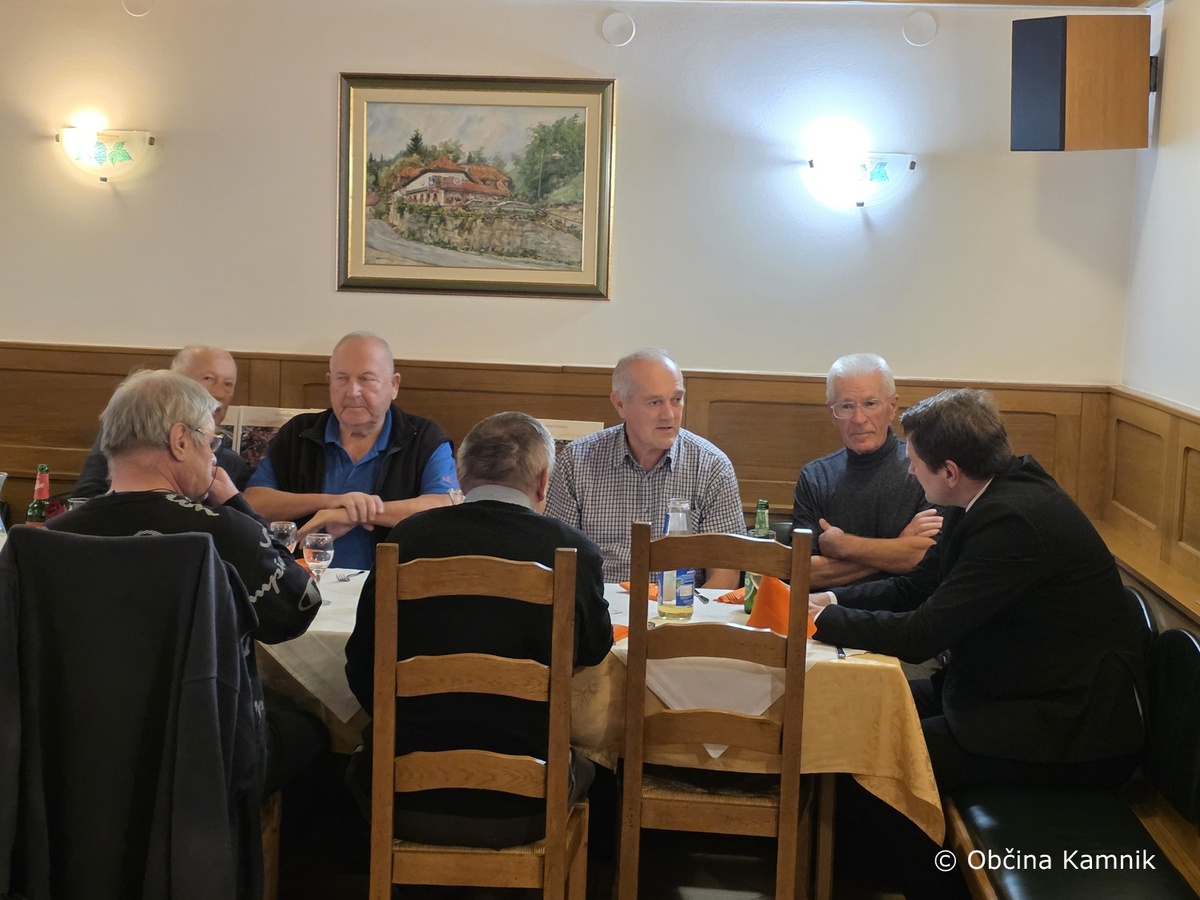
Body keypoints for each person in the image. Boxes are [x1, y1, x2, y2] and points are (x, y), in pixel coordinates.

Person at [810, 389, 1147, 792]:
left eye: (914, 462)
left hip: (1068, 727)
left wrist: (819, 620)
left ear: (950, 472)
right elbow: (916, 586)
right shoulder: (981, 494)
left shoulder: (1014, 522)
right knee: (853, 711)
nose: (910, 471)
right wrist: (828, 599)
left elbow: (921, 636)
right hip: (1001, 692)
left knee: (868, 757)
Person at [48, 369, 325, 794]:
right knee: (313, 729)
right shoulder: (223, 533)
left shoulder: (48, 540)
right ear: (180, 441)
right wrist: (236, 503)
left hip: (69, 755)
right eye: (210, 442)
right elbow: (296, 609)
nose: (214, 458)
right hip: (202, 760)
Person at [344, 412, 613, 848]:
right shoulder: (572, 549)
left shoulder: (405, 541)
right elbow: (595, 650)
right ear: (543, 481)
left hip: (401, 797)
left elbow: (361, 664)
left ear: (460, 475)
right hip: (526, 806)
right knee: (586, 768)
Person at [243, 331, 458, 570]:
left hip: (390, 585)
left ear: (394, 385)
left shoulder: (424, 437)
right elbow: (253, 502)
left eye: (366, 379)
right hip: (302, 583)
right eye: (342, 379)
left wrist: (353, 513)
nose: (352, 391)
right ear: (330, 382)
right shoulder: (298, 433)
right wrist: (332, 502)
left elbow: (446, 507)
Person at [545, 348, 744, 587]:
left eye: (676, 400)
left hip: (681, 606)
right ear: (620, 404)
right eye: (654, 402)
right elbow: (557, 560)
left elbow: (725, 574)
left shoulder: (712, 466)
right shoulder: (576, 462)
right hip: (599, 605)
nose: (668, 415)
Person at [793, 353, 942, 590]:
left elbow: (925, 557)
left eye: (870, 404)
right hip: (825, 609)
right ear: (832, 414)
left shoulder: (924, 468)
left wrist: (842, 545)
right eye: (846, 406)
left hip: (904, 608)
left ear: (892, 407)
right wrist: (899, 545)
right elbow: (804, 573)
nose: (858, 418)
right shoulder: (815, 477)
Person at [73, 345, 250, 497]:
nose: (219, 393)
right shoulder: (131, 426)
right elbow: (87, 494)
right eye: (208, 379)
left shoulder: (232, 464)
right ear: (175, 381)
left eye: (228, 384)